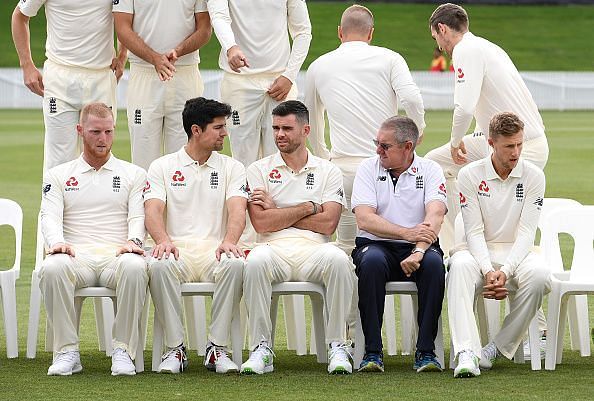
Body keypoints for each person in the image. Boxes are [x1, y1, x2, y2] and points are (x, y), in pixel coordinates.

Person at [426, 3, 549, 256]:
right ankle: (458, 245)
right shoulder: (486, 46)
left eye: (436, 38)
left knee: (497, 208)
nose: (439, 46)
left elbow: (465, 106)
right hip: (498, 140)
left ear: (442, 29)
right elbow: (485, 102)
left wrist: (455, 141)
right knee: (434, 165)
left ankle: (484, 250)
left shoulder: (465, 50)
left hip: (522, 146)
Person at [241, 100, 354, 375]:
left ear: (306, 130)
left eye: (287, 128)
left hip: (314, 249)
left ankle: (338, 344)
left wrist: (278, 210)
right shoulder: (258, 169)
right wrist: (307, 207)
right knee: (254, 261)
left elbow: (329, 224)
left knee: (339, 260)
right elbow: (261, 222)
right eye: (276, 128)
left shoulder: (328, 170)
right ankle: (261, 348)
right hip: (272, 246)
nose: (280, 134)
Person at [305, 4, 425, 256]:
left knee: (346, 248)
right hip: (388, 167)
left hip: (343, 169)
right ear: (371, 33)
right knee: (400, 246)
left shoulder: (318, 65)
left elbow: (311, 120)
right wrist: (417, 132)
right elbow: (412, 99)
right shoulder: (391, 58)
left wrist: (323, 156)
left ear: (340, 32)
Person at [39, 102, 148, 376]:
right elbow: (48, 216)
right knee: (52, 267)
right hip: (78, 256)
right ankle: (66, 351)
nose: (103, 139)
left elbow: (138, 217)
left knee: (136, 266)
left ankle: (123, 350)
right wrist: (56, 243)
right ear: (80, 131)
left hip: (117, 256)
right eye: (95, 132)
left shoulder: (133, 174)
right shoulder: (58, 175)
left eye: (109, 132)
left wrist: (134, 241)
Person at [144, 97, 247, 374]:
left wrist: (230, 241)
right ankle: (175, 348)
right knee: (159, 263)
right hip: (178, 250)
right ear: (196, 130)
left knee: (236, 263)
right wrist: (163, 241)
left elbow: (238, 210)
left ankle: (217, 348)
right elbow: (152, 210)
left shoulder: (232, 167)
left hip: (215, 249)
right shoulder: (162, 166)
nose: (225, 133)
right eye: (218, 127)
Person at [448, 112, 550, 378]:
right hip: (477, 251)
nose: (516, 152)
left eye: (519, 144)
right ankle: (466, 353)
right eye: (509, 146)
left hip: (517, 253)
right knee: (458, 267)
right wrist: (487, 269)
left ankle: (495, 348)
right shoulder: (470, 175)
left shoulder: (534, 176)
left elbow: (527, 232)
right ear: (491, 143)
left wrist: (505, 270)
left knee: (540, 277)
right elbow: (474, 230)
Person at [351, 116, 447, 373]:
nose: (377, 150)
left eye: (385, 146)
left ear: (408, 147)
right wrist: (406, 233)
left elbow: (435, 215)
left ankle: (426, 352)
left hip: (419, 247)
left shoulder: (430, 170)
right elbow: (365, 219)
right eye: (377, 143)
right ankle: (372, 352)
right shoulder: (367, 168)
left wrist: (418, 251)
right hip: (376, 245)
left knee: (435, 265)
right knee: (370, 263)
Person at [12, 0, 126, 171]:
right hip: (60, 78)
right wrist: (26, 64)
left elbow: (124, 16)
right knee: (59, 161)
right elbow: (19, 16)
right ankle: (55, 199)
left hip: (101, 76)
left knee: (99, 157)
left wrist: (123, 54)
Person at [207, 0, 312, 168]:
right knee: (243, 155)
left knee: (282, 153)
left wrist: (289, 76)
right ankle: (244, 194)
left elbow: (303, 31)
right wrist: (230, 47)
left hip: (280, 82)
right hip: (239, 81)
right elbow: (219, 16)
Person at [113, 0, 212, 171]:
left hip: (184, 74)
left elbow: (204, 29)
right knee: (143, 161)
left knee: (185, 161)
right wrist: (154, 58)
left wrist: (178, 51)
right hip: (144, 74)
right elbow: (122, 28)